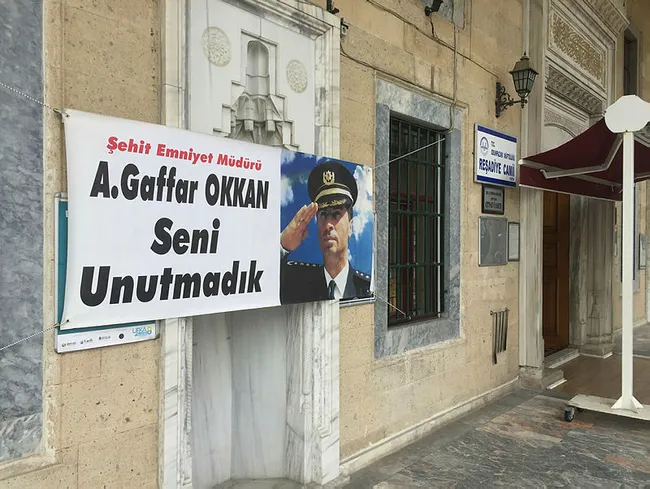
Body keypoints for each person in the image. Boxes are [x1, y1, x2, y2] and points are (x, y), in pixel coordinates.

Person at [279, 160, 371, 304]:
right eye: (323, 215)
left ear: (351, 227)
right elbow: (263, 281)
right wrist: (283, 246)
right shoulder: (298, 281)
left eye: (336, 214)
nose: (328, 224)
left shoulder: (366, 288)